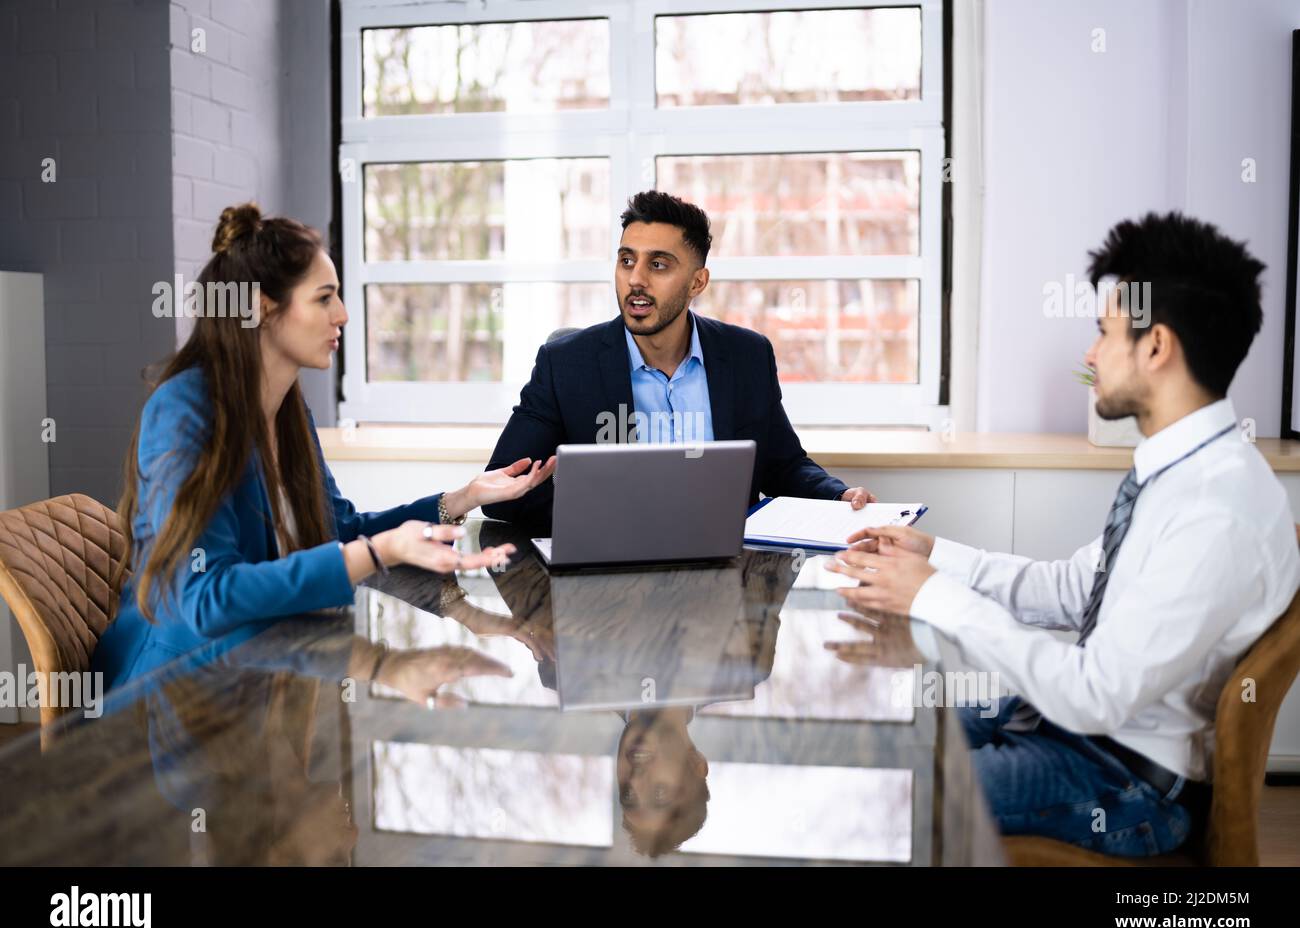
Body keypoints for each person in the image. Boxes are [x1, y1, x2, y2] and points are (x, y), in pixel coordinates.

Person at [831, 211, 1300, 857]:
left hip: (1122, 778)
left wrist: (931, 596)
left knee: (876, 800)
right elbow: (1078, 589)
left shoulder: (1217, 510)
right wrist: (937, 558)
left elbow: (1095, 695)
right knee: (867, 736)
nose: (1089, 353)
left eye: (1104, 332)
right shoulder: (1183, 468)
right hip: (1072, 728)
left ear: (1157, 347)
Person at [93, 203, 555, 691]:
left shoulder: (287, 408)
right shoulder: (183, 411)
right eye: (324, 298)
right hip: (173, 691)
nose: (343, 314)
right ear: (265, 308)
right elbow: (206, 599)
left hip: (264, 672)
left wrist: (463, 499)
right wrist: (377, 552)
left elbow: (341, 529)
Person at [482, 190, 873, 531]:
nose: (636, 279)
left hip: (725, 578)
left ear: (697, 282)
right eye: (626, 260)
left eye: (658, 265)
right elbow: (502, 492)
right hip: (609, 585)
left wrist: (837, 497)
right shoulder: (566, 365)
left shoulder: (747, 356)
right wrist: (609, 520)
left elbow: (782, 465)